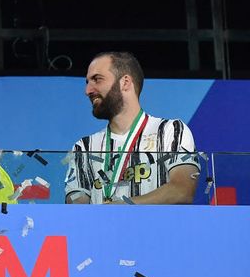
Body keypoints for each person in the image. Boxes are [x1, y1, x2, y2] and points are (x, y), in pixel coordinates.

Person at [65, 52, 199, 204]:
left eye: (97, 79)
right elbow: (76, 205)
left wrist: (122, 207)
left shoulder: (171, 131)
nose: (88, 90)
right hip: (103, 228)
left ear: (125, 82)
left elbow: (182, 191)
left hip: (157, 228)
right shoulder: (83, 147)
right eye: (87, 82)